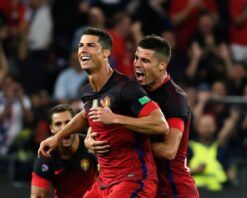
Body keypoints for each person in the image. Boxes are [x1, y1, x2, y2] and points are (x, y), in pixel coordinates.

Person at [38, 27, 169, 197]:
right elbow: (85, 115)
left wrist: (116, 119)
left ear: (106, 52)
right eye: (80, 45)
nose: (83, 50)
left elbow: (160, 124)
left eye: (90, 45)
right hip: (104, 181)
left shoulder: (127, 88)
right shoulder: (87, 91)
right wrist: (57, 137)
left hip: (134, 179)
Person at [86, 35, 199, 197]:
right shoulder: (130, 89)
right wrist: (88, 141)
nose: (137, 65)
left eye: (145, 61)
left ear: (162, 65)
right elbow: (100, 119)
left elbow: (169, 150)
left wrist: (121, 149)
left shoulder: (175, 98)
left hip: (173, 188)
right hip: (140, 183)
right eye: (136, 58)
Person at [31, 104, 98, 198]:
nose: (64, 128)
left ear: (75, 125)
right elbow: (37, 195)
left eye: (68, 122)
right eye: (58, 124)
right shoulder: (46, 154)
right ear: (51, 129)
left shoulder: (91, 145)